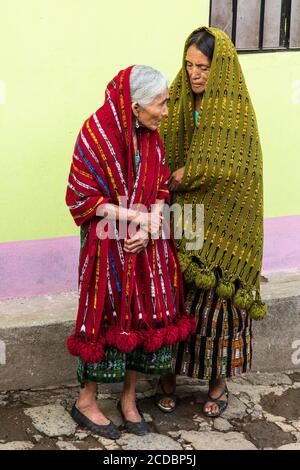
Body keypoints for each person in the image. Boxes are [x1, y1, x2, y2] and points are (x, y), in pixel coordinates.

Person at [65, 65, 194, 439]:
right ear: (135, 105)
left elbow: (160, 187)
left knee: (139, 318)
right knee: (105, 317)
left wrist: (151, 225)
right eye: (161, 103)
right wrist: (131, 218)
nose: (166, 110)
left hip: (143, 247)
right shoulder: (96, 133)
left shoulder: (152, 136)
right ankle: (86, 400)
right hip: (107, 248)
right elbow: (81, 197)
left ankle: (128, 398)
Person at [157, 27, 267, 418]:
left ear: (219, 67)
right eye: (188, 65)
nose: (194, 74)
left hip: (224, 219)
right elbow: (158, 143)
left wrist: (192, 172)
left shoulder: (235, 110)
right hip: (184, 216)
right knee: (176, 298)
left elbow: (238, 168)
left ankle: (218, 384)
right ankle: (167, 377)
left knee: (219, 307)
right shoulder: (179, 99)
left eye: (202, 66)